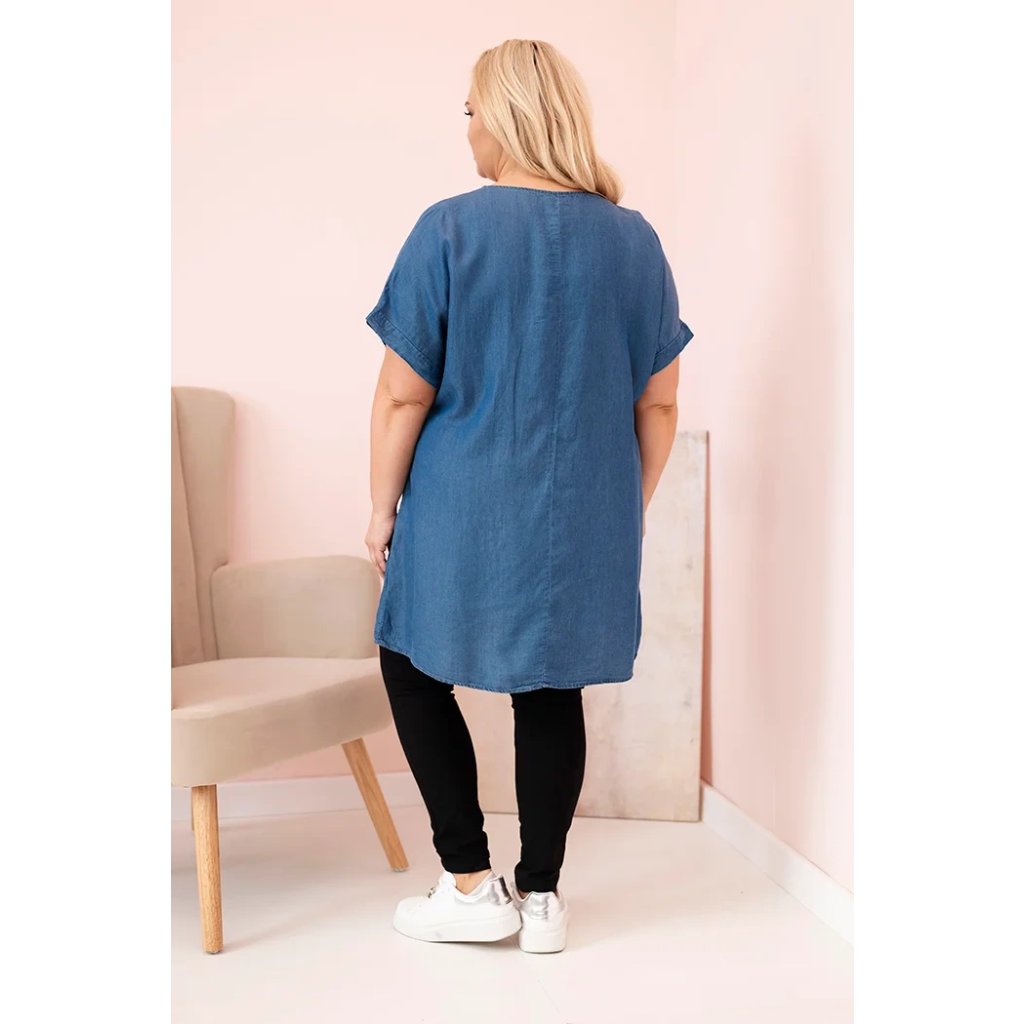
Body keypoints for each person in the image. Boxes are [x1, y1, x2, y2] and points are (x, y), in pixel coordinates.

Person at [363, 39, 694, 954]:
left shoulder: (448, 230)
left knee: (409, 660)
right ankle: (542, 896)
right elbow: (659, 402)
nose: (467, 129)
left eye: (471, 111)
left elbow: (400, 394)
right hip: (587, 511)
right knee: (552, 687)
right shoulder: (634, 241)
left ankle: (471, 882)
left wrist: (382, 508)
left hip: (460, 506)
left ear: (505, 120)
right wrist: (626, 501)